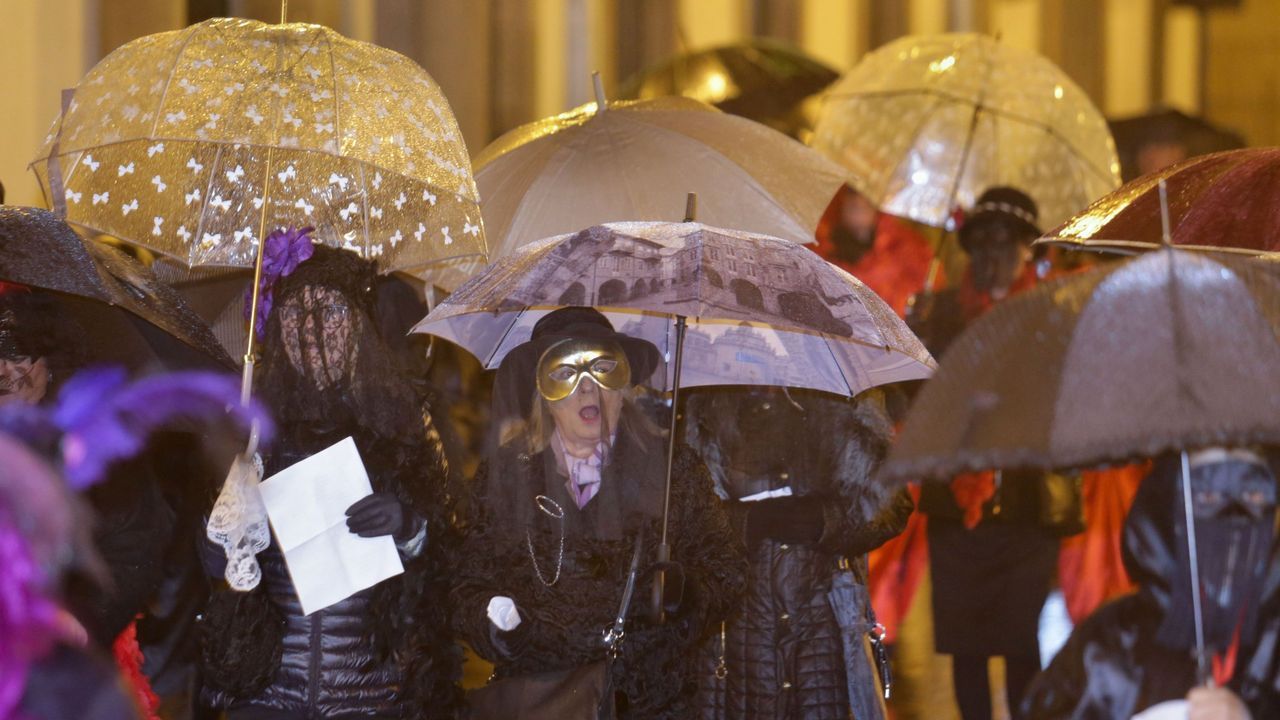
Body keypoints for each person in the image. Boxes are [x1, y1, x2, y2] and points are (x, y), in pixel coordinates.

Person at [199, 240, 461, 719]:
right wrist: (230, 510)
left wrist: (408, 525)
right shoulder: (255, 424)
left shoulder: (404, 421)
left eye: (330, 309)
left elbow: (452, 551)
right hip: (268, 687)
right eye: (296, 311)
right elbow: (217, 568)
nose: (312, 327)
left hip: (371, 693)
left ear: (359, 326)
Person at [450, 307, 746, 719]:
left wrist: (688, 594)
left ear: (623, 387)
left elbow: (726, 569)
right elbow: (466, 583)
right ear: (543, 396)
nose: (588, 390)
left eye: (603, 369)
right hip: (544, 698)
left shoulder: (672, 470)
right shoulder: (507, 475)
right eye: (566, 374)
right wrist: (498, 627)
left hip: (647, 702)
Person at [913, 188, 1081, 720]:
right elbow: (916, 404)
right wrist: (916, 339)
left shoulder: (1053, 310)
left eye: (1004, 242)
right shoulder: (940, 311)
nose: (992, 254)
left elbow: (1069, 401)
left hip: (1026, 509)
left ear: (1027, 248)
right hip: (957, 514)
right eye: (980, 242)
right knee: (966, 649)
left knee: (1020, 645)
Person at [684, 385, 911, 719]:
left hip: (823, 632)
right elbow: (683, 520)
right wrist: (746, 522)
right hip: (738, 634)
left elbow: (890, 504)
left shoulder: (846, 400)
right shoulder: (708, 403)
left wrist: (826, 521)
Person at [1022, 449, 1280, 719]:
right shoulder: (1110, 642)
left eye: (1254, 495)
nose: (1233, 516)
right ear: (1167, 508)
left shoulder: (1273, 640)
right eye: (1207, 495)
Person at [813, 185, 939, 318]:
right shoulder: (821, 248)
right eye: (852, 197)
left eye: (865, 200)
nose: (858, 203)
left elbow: (922, 295)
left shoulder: (907, 247)